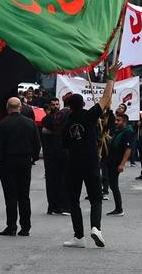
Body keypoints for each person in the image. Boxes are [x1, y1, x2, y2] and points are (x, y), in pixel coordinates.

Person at [61, 73, 115, 248]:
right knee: (96, 198)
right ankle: (96, 228)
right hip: (91, 162)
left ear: (69, 106)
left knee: (74, 201)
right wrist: (111, 76)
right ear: (84, 104)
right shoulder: (89, 115)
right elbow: (106, 98)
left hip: (72, 164)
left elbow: (64, 144)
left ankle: (79, 237)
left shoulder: (67, 122)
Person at [0, 97, 40, 236]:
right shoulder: (30, 123)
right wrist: (33, 158)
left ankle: (11, 225)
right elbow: (36, 144)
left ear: (8, 108)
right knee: (24, 195)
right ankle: (25, 227)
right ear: (20, 107)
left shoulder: (3, 124)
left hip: (8, 162)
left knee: (10, 196)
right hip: (25, 161)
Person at [40, 97, 68, 215]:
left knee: (62, 180)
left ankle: (61, 205)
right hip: (51, 155)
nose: (56, 106)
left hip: (62, 154)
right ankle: (53, 206)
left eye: (57, 104)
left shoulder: (63, 117)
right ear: (49, 106)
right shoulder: (48, 118)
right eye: (53, 105)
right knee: (52, 181)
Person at [106, 112, 135, 216]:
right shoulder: (119, 132)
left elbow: (128, 149)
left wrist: (122, 164)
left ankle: (119, 209)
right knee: (112, 184)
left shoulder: (127, 132)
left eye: (118, 120)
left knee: (114, 185)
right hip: (111, 160)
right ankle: (118, 208)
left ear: (125, 122)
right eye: (116, 120)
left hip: (116, 162)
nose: (116, 122)